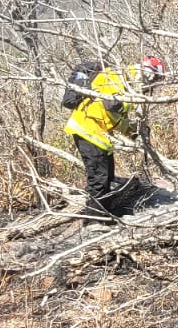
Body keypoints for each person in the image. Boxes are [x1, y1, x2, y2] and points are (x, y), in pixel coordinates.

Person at [64, 56, 167, 219]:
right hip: (88, 131)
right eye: (153, 80)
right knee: (98, 179)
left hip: (100, 135)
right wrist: (132, 100)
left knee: (107, 177)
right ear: (148, 74)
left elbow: (117, 118)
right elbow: (111, 105)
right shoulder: (119, 77)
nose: (151, 87)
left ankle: (107, 212)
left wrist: (134, 132)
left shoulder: (129, 83)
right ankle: (94, 219)